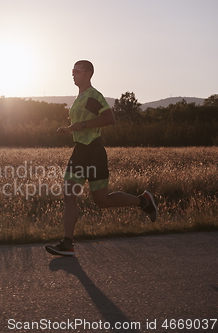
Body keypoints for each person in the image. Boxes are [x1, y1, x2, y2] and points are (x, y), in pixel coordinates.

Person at [45, 60, 158, 256]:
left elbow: (109, 118)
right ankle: (68, 243)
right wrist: (70, 129)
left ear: (88, 73)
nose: (73, 74)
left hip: (94, 152)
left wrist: (83, 125)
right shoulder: (80, 97)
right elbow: (81, 124)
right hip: (80, 150)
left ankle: (144, 201)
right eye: (72, 70)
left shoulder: (92, 96)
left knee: (102, 201)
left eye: (77, 71)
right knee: (69, 195)